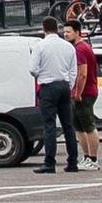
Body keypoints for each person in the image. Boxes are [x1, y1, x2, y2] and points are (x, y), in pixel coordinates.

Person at [32, 15, 80, 174]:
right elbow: (73, 70)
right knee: (68, 126)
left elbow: (32, 69)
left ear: (43, 29)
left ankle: (49, 163)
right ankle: (72, 162)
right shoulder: (68, 47)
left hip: (48, 86)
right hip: (64, 86)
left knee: (49, 126)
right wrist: (69, 85)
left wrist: (41, 74)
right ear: (58, 29)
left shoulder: (40, 46)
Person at [69, 18, 101, 166]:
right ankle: (87, 157)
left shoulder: (80, 49)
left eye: (68, 32)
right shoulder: (81, 47)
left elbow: (82, 73)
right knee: (79, 127)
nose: (65, 35)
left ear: (77, 32)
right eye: (64, 32)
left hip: (85, 93)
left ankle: (93, 159)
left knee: (88, 126)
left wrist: (78, 93)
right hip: (84, 92)